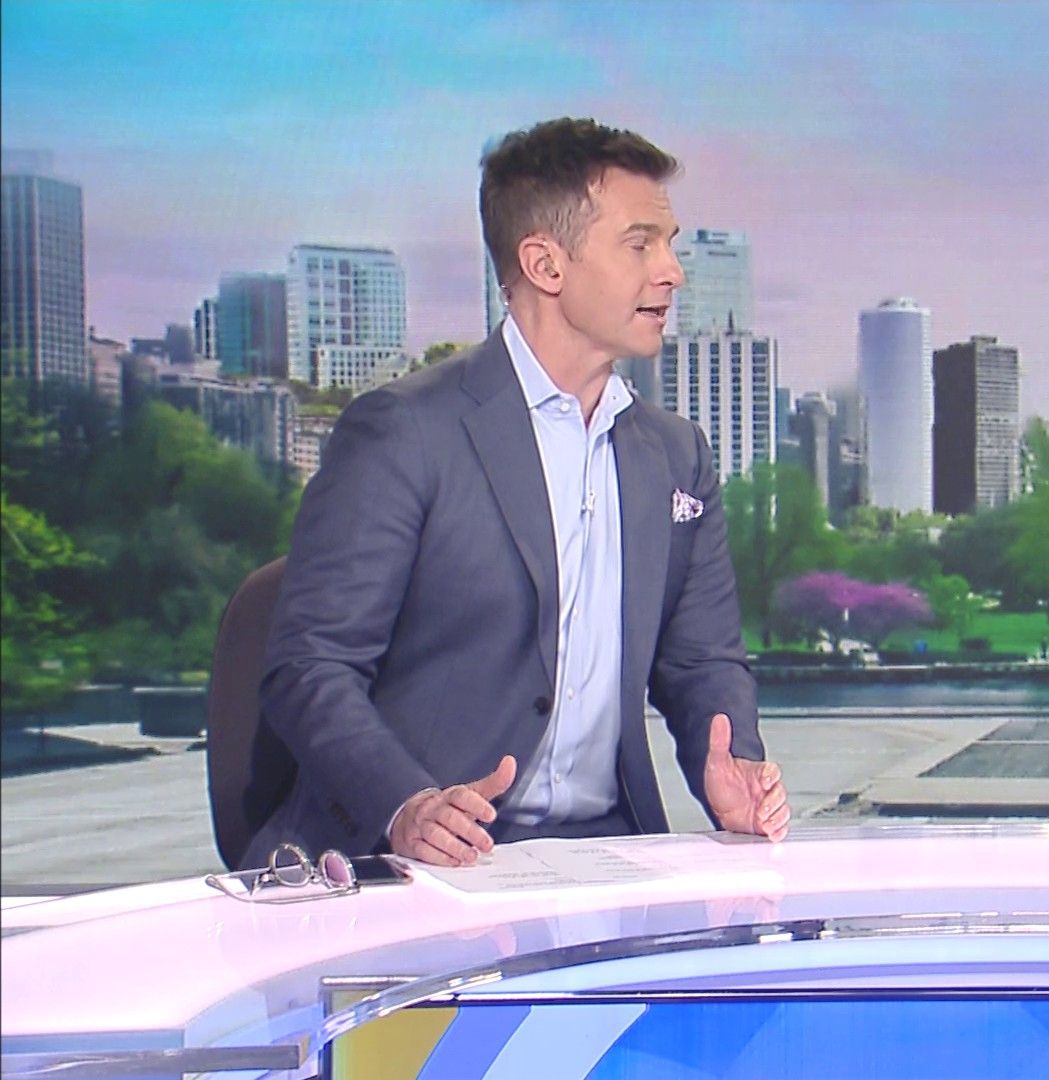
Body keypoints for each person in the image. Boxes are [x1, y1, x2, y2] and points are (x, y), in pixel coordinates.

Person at [249, 118, 789, 868]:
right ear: (544, 264)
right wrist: (407, 805)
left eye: (668, 244)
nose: (672, 272)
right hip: (411, 865)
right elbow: (310, 667)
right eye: (640, 245)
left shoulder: (676, 455)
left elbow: (703, 664)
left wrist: (730, 768)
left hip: (604, 856)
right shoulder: (404, 431)